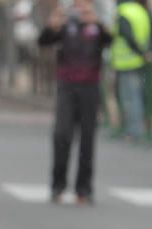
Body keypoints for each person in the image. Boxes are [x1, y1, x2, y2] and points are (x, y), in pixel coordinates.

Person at [38, 0, 111, 205]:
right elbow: (44, 41)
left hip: (90, 86)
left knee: (87, 138)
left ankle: (84, 189)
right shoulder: (65, 22)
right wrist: (53, 24)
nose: (80, 7)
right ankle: (57, 185)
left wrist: (97, 22)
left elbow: (110, 40)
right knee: (62, 134)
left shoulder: (95, 24)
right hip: (67, 86)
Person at [112, 0, 151, 141]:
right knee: (137, 97)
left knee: (130, 99)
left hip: (126, 62)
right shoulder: (141, 11)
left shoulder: (123, 11)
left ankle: (134, 132)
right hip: (138, 61)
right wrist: (145, 52)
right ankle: (138, 130)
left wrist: (140, 51)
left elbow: (126, 35)